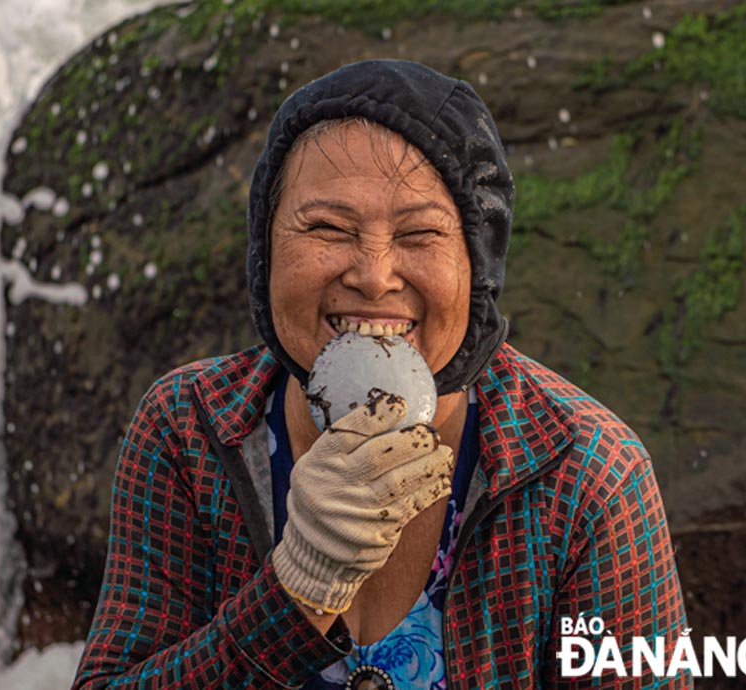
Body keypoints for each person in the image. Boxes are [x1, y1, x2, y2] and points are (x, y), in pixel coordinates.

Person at [72, 60, 690, 689]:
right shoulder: (189, 427)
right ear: (264, 250)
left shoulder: (589, 472)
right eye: (328, 229)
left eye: (420, 234)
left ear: (479, 262)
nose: (373, 275)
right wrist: (299, 591)